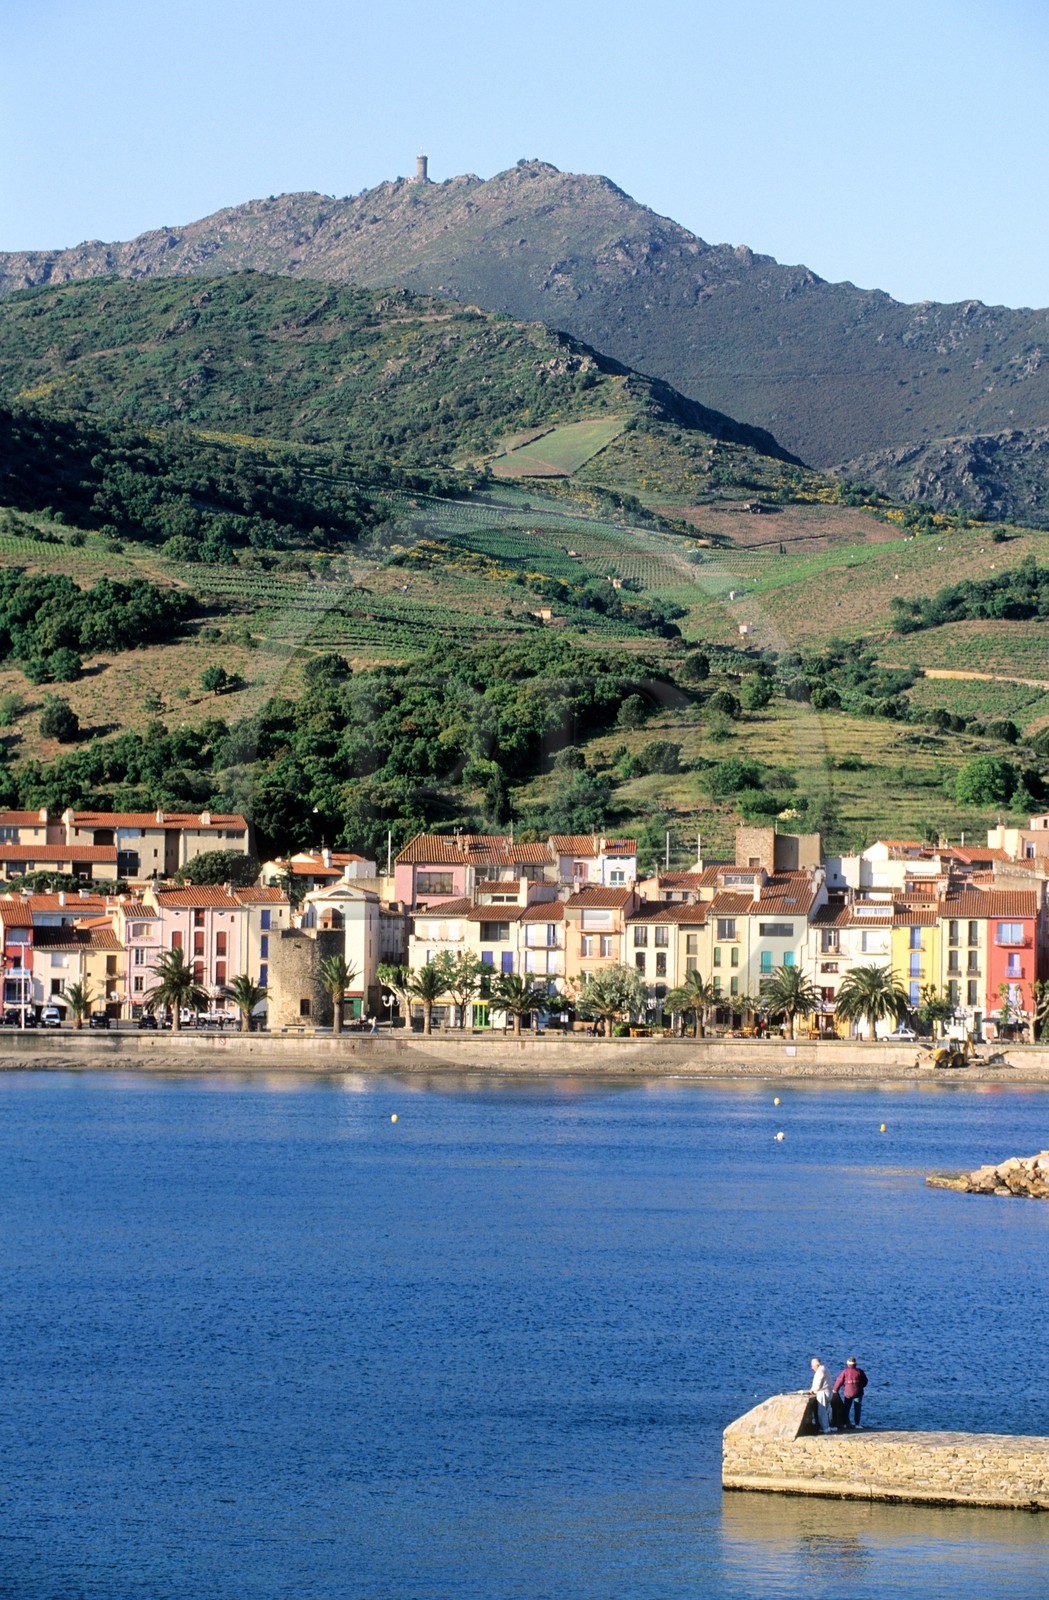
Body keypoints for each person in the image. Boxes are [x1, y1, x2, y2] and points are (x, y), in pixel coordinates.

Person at [832, 1357, 868, 1429]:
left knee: (846, 1408)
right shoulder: (860, 1371)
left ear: (848, 1364)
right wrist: (860, 1387)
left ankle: (845, 1423)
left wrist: (835, 1390)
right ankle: (857, 1424)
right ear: (855, 1364)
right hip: (858, 1392)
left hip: (848, 1392)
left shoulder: (845, 1372)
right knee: (857, 1408)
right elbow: (865, 1381)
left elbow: (839, 1381)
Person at [809, 1357, 831, 1432]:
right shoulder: (825, 1369)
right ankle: (827, 1426)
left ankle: (824, 1428)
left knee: (822, 1411)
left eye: (812, 1366)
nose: (812, 1368)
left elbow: (818, 1385)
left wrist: (813, 1390)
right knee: (827, 1410)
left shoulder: (820, 1371)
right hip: (828, 1391)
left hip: (822, 1393)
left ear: (816, 1365)